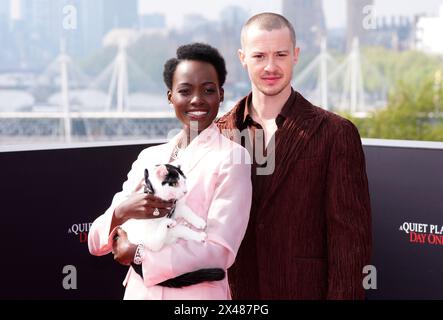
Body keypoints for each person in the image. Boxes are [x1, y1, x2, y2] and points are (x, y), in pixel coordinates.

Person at [216, 12, 372, 299]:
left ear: (296, 55)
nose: (271, 66)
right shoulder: (218, 133)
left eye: (281, 54)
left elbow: (350, 245)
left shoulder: (336, 133)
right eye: (260, 56)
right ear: (242, 57)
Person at [88, 43, 252, 300]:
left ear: (221, 95)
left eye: (208, 90)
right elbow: (96, 241)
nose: (197, 100)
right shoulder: (149, 157)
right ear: (170, 96)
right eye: (185, 91)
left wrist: (140, 255)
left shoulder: (232, 158)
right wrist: (123, 211)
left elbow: (220, 251)